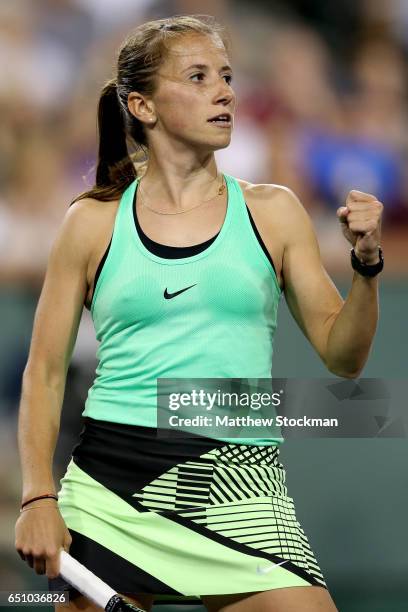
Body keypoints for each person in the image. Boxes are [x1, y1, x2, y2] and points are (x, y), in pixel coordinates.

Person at [14, 15, 383, 612]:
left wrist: (366, 266)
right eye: (199, 76)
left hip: (243, 482)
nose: (226, 92)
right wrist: (38, 498)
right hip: (115, 486)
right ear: (144, 105)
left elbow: (345, 359)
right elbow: (45, 373)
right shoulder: (91, 221)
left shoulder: (274, 212)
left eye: (228, 76)